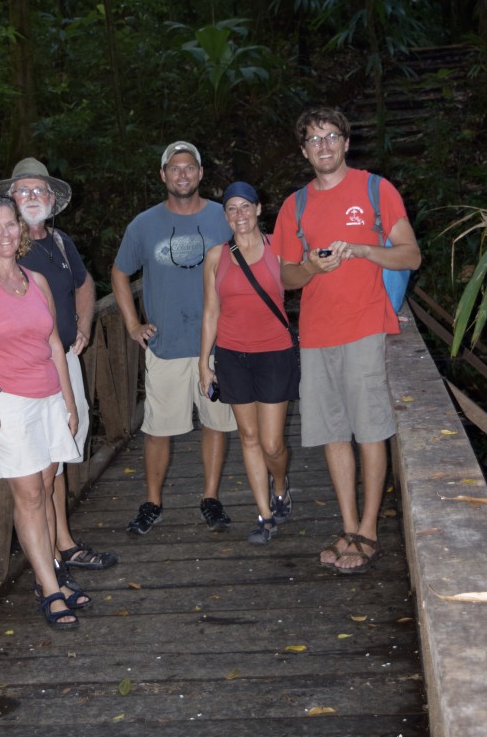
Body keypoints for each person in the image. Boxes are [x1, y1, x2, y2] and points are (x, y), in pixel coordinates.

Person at [0, 158, 117, 576]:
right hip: (12, 379)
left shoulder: (61, 243)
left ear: (51, 200)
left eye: (39, 191)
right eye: (23, 191)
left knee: (56, 461)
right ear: (9, 202)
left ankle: (62, 543)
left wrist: (84, 324)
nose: (32, 198)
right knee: (33, 479)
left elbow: (85, 284)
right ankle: (49, 562)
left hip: (59, 366)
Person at [272, 107, 421, 574]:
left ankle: (370, 529)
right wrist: (312, 267)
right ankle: (348, 523)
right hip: (316, 334)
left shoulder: (376, 190)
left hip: (365, 328)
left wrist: (360, 250)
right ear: (304, 151)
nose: (324, 146)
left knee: (371, 428)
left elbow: (410, 255)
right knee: (333, 432)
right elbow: (284, 277)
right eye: (314, 140)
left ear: (346, 142)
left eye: (331, 136)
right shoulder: (295, 205)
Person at [0, 195, 88, 629]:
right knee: (27, 496)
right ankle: (50, 587)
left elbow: (54, 347)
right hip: (7, 404)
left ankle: (52, 576)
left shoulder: (37, 281)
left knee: (44, 491)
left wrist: (68, 401)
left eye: (11, 225)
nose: (5, 234)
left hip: (47, 400)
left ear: (20, 231)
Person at [111, 141, 237, 535]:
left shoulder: (224, 217)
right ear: (163, 175)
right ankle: (152, 501)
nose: (182, 174)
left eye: (189, 167)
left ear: (200, 173)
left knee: (216, 422)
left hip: (216, 345)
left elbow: (251, 261)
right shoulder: (144, 224)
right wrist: (133, 324)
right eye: (174, 168)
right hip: (165, 346)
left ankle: (211, 498)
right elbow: (119, 273)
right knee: (158, 428)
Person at [199, 182, 299, 544]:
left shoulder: (279, 248)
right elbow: (211, 311)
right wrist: (203, 363)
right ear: (225, 216)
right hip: (231, 354)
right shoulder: (216, 256)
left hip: (274, 352)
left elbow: (304, 278)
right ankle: (265, 514)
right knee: (249, 436)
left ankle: (281, 484)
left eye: (245, 207)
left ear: (259, 209)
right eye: (231, 209)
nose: (239, 215)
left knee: (273, 444)